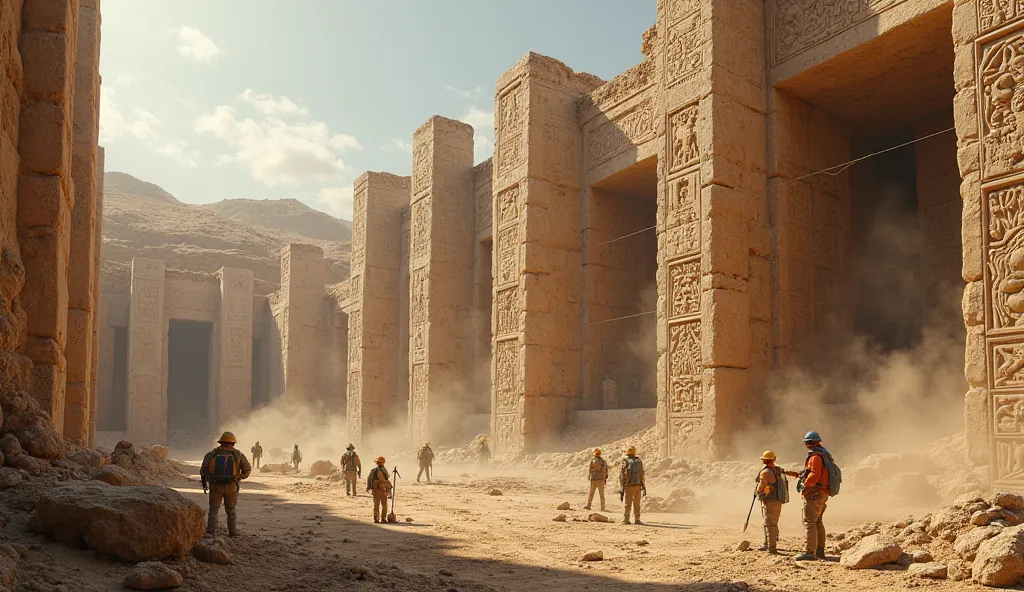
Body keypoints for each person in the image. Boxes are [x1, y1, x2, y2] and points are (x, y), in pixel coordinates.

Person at [200, 432, 252, 537]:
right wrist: (239, 477)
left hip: (215, 486)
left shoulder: (212, 454)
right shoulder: (237, 454)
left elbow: (203, 470)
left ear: (221, 442)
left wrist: (204, 483)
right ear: (233, 443)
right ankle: (233, 533)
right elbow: (247, 469)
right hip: (231, 486)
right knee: (231, 510)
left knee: (214, 510)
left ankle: (211, 532)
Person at [795, 431, 832, 561]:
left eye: (807, 442)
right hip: (822, 492)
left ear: (810, 443)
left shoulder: (815, 457)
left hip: (814, 494)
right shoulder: (825, 455)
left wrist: (804, 485)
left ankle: (809, 552)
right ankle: (820, 550)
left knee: (809, 522)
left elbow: (814, 475)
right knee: (818, 522)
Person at [756, 450, 800, 554]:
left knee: (769, 524)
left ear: (765, 461)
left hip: (769, 501)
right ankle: (769, 543)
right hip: (777, 500)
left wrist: (757, 492)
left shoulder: (766, 472)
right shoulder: (778, 470)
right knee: (773, 523)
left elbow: (761, 486)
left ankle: (771, 547)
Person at [619, 445, 646, 525]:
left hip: (628, 485)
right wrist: (642, 485)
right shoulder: (638, 461)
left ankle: (626, 520)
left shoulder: (625, 461)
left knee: (628, 504)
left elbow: (622, 475)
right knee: (637, 503)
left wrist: (622, 487)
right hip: (638, 485)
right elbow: (642, 474)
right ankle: (637, 519)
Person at [366, 456, 393, 523]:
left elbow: (369, 479)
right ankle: (383, 519)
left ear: (377, 463)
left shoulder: (373, 470)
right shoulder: (384, 470)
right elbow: (386, 479)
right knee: (384, 504)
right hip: (383, 489)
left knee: (376, 504)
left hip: (376, 490)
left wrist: (368, 487)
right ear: (383, 463)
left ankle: (376, 519)